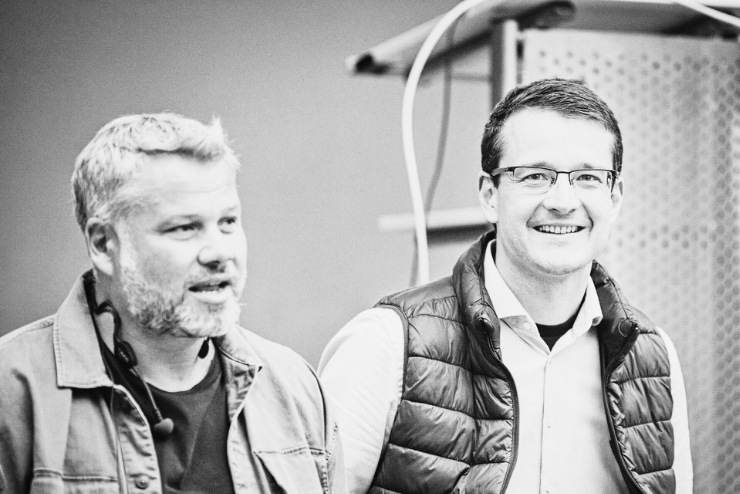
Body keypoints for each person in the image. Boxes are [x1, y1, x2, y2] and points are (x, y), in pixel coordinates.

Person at [319, 79, 692, 494]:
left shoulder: (653, 357)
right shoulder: (387, 344)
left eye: (587, 177)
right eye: (535, 176)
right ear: (490, 195)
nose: (563, 201)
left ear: (615, 198)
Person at [0, 113, 345, 494]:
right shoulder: (12, 390)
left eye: (228, 222)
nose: (220, 252)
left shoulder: (295, 387)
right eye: (184, 228)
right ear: (103, 244)